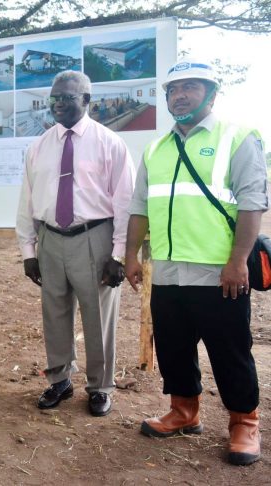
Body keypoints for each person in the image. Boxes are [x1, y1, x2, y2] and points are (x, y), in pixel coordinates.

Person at [125, 59, 267, 466]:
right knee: (173, 347)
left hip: (218, 272)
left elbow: (252, 203)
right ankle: (184, 411)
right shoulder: (155, 148)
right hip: (167, 271)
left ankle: (244, 422)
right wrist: (131, 255)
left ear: (211, 93)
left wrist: (238, 260)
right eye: (173, 89)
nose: (180, 94)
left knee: (230, 350)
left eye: (190, 87)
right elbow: (139, 207)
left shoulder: (237, 138)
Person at [16, 70, 134, 417]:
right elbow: (28, 200)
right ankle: (59, 380)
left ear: (86, 100)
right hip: (51, 239)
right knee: (54, 312)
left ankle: (99, 387)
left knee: (98, 316)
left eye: (67, 97)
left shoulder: (109, 143)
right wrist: (28, 251)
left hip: (94, 237)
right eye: (54, 97)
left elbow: (125, 202)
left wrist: (118, 255)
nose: (59, 103)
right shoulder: (39, 146)